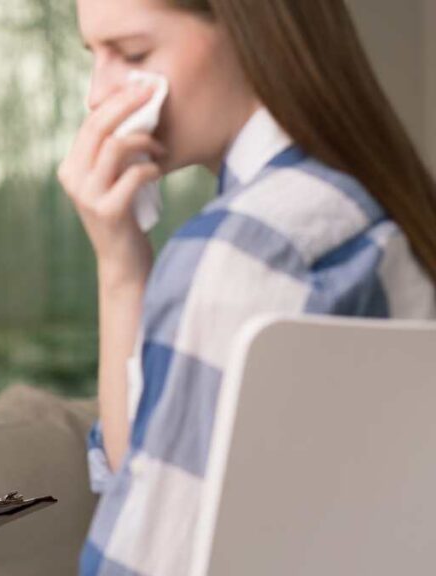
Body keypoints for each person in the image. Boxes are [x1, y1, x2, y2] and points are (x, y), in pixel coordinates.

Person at [57, 0, 436, 574]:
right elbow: (145, 472)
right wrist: (121, 269)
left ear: (250, 31)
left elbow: (141, 556)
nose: (96, 95)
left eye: (133, 53)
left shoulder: (242, 251)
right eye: (94, 56)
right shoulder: (391, 202)